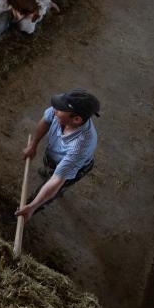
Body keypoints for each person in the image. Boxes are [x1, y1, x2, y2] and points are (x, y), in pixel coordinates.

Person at [15, 89, 100, 220]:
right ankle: (48, 172)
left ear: (76, 119)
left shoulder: (81, 146)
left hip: (74, 166)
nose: (54, 109)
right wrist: (33, 145)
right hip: (53, 155)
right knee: (49, 168)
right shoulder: (59, 112)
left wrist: (32, 206)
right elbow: (46, 121)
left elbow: (57, 179)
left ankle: (30, 208)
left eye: (60, 109)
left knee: (53, 187)